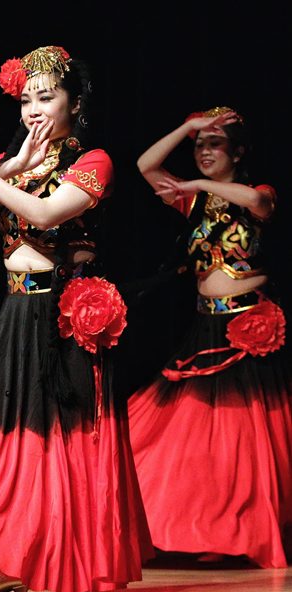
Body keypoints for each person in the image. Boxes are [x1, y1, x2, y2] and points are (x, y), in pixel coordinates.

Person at [0, 45, 154, 592]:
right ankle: (5, 563)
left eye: (46, 96)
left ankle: (69, 565)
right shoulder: (23, 159)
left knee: (64, 445)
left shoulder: (93, 159)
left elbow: (47, 214)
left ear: (74, 103)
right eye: (26, 97)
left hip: (61, 315)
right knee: (8, 442)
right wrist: (4, 166)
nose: (32, 107)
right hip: (16, 311)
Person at [128, 106, 292, 568]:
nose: (203, 152)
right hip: (205, 325)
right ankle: (196, 526)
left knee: (245, 441)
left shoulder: (257, 193)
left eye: (213, 144)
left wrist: (198, 184)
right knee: (189, 438)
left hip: (249, 326)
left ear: (238, 152)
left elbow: (255, 203)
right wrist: (187, 128)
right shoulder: (191, 199)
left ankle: (245, 531)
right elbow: (144, 166)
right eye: (199, 146)